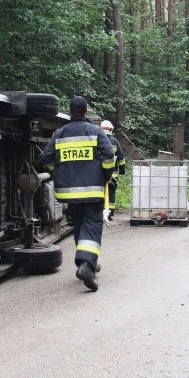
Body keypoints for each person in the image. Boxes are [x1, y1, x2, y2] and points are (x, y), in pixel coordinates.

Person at [39, 96, 115, 291]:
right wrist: (105, 175)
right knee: (92, 225)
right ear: (86, 111)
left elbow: (45, 157)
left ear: (70, 111)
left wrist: (58, 171)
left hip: (69, 193)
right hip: (92, 191)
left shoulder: (60, 133)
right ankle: (86, 264)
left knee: (80, 225)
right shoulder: (96, 131)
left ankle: (85, 260)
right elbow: (108, 156)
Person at [100, 120, 126, 221]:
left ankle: (100, 213)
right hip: (113, 174)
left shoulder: (97, 140)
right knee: (111, 193)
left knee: (99, 193)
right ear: (111, 130)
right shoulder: (115, 142)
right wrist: (122, 170)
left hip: (99, 174)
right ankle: (109, 214)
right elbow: (121, 158)